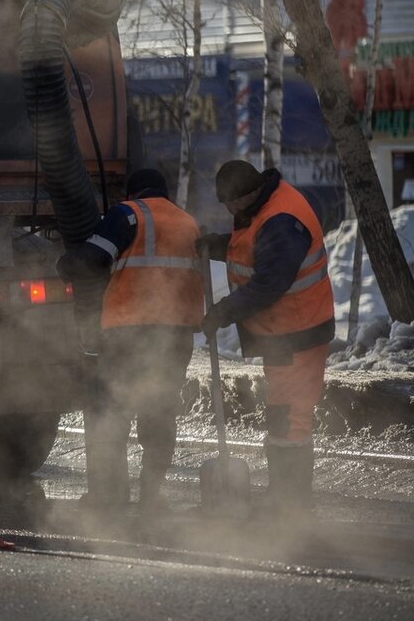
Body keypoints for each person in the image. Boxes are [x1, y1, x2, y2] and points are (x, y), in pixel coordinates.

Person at [57, 168, 204, 511]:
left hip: (130, 333)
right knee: (159, 409)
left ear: (133, 192)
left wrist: (65, 264)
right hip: (176, 335)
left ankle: (108, 497)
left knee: (111, 409)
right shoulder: (188, 222)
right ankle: (152, 494)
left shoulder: (128, 215)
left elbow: (93, 259)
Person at [199, 160, 333, 515]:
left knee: (290, 417)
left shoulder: (282, 220)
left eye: (230, 204)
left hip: (298, 333)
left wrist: (223, 312)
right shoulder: (264, 209)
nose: (228, 210)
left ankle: (290, 503)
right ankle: (284, 498)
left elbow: (269, 282)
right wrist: (219, 246)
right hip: (285, 333)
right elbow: (253, 247)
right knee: (283, 413)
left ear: (248, 195)